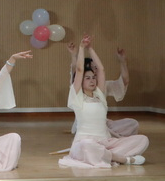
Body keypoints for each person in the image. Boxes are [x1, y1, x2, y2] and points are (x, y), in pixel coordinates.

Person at [59, 35, 148, 168]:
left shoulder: (99, 95)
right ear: (80, 81)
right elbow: (79, 70)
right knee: (86, 146)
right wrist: (82, 48)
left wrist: (91, 48)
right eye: (87, 78)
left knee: (143, 140)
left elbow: (101, 69)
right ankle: (123, 159)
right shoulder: (76, 98)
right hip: (85, 143)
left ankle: (103, 155)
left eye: (93, 77)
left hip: (106, 142)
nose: (92, 80)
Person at [66, 42, 137, 137]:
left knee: (132, 123)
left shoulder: (101, 89)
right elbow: (77, 71)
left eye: (95, 68)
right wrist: (75, 54)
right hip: (85, 127)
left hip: (101, 124)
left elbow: (123, 81)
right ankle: (110, 135)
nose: (94, 71)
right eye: (91, 68)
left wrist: (122, 62)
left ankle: (108, 134)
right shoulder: (78, 90)